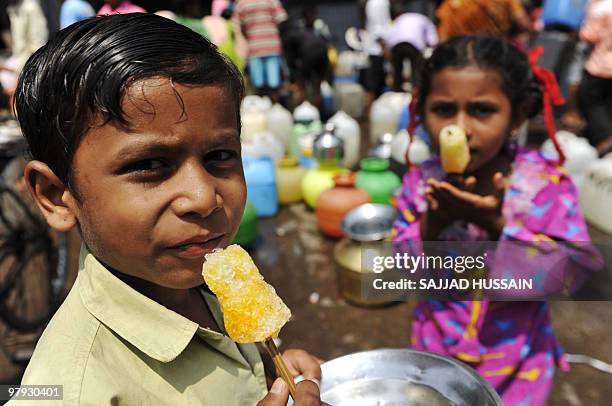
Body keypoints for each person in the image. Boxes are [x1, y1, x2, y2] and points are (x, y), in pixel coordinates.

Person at [9, 14, 323, 405]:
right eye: (150, 165)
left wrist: (265, 367)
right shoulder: (70, 390)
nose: (203, 197)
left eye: (220, 155)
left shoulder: (202, 278)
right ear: (57, 196)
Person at [393, 36, 600, 405]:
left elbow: (575, 272)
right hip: (437, 351)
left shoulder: (545, 186)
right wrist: (432, 227)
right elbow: (399, 270)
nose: (460, 128)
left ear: (517, 115)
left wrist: (496, 226)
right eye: (443, 109)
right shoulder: (419, 184)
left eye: (482, 110)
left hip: (517, 363)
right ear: (422, 112)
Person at [232, 0, 287, 101]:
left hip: (254, 48)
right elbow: (282, 20)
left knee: (258, 85)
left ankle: (262, 107)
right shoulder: (272, 1)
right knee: (274, 83)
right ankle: (273, 106)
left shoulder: (242, 4)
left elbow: (238, 26)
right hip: (272, 46)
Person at [578, 0, 612, 156]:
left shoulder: (601, 7)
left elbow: (589, 35)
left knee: (590, 102)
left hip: (599, 65)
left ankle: (604, 139)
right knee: (606, 106)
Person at [284, 5, 332, 111]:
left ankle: (307, 109)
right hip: (319, 55)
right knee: (315, 85)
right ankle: (316, 111)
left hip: (312, 56)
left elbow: (291, 58)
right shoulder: (315, 28)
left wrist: (295, 77)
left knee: (303, 84)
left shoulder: (295, 32)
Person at [0, 0, 48, 97]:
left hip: (29, 66)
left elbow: (38, 44)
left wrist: (28, 71)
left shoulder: (31, 8)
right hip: (19, 61)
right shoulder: (13, 8)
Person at [383, 10, 437, 91]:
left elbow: (389, 33)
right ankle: (416, 88)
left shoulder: (400, 18)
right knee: (416, 68)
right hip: (414, 43)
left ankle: (396, 88)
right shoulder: (425, 19)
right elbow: (433, 39)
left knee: (397, 68)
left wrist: (388, 47)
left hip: (396, 43)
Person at [435, 0, 531, 42]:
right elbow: (522, 23)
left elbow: (443, 35)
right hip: (492, 52)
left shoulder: (452, 2)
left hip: (458, 52)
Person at [363, 0, 391, 103]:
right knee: (374, 86)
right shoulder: (378, 2)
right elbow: (378, 28)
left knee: (379, 84)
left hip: (379, 49)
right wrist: (385, 49)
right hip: (377, 49)